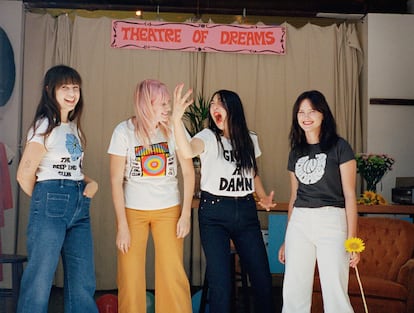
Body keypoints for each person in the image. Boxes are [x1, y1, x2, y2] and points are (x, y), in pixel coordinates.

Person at [172, 85, 275, 313]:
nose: (214, 107)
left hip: (246, 211)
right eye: (212, 104)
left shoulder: (249, 138)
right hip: (214, 214)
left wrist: (263, 196)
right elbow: (188, 151)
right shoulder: (207, 137)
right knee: (221, 284)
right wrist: (177, 119)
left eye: (220, 103)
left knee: (262, 278)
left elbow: (252, 172)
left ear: (233, 109)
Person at [16, 65, 99, 313]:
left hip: (79, 205)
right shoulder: (44, 126)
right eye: (65, 87)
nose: (72, 93)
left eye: (76, 87)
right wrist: (49, 199)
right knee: (40, 278)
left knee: (83, 278)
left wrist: (89, 182)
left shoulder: (72, 127)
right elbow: (24, 175)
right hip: (52, 203)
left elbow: (66, 167)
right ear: (50, 90)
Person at [108, 79, 194, 313]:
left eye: (168, 103)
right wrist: (122, 225)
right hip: (132, 212)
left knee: (171, 272)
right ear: (147, 104)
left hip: (169, 210)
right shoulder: (123, 131)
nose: (168, 108)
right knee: (130, 273)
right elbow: (115, 181)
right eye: (163, 103)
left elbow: (188, 172)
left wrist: (185, 214)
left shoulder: (174, 129)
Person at [278, 90, 360, 313]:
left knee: (335, 291)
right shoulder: (296, 152)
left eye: (312, 111)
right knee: (294, 290)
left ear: (323, 114)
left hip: (332, 220)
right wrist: (287, 238)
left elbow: (350, 195)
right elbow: (294, 197)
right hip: (300, 222)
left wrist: (352, 240)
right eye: (301, 112)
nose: (306, 116)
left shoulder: (340, 147)